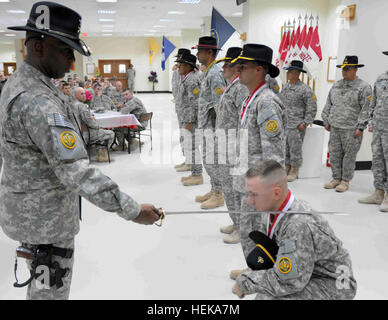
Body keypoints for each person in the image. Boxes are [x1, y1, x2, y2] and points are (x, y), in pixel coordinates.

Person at [0, 1, 161, 300]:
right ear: (38, 47)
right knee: (49, 295)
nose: (71, 62)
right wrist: (132, 209)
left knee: (40, 291)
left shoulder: (18, 85)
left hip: (30, 214)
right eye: (65, 51)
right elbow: (76, 172)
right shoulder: (37, 100)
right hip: (45, 224)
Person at [231, 160, 357, 300]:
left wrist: (246, 282)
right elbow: (272, 250)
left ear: (276, 193)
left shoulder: (299, 225)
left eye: (254, 194)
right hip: (309, 271)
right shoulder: (271, 208)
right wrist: (252, 272)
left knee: (271, 297)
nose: (249, 201)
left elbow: (288, 281)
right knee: (265, 292)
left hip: (336, 284)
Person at [230, 44, 286, 277]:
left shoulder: (266, 102)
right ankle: (255, 268)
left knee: (255, 229)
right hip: (248, 177)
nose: (238, 70)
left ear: (259, 70)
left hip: (259, 184)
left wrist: (265, 189)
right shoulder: (250, 99)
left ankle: (261, 274)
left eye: (243, 66)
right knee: (248, 229)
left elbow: (273, 153)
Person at [322, 56, 372, 192]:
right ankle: (336, 178)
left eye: (347, 69)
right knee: (334, 154)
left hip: (351, 129)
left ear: (355, 69)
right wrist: (326, 120)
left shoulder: (364, 87)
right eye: (343, 69)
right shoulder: (337, 85)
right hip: (335, 127)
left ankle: (345, 181)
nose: (344, 71)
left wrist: (361, 127)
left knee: (349, 156)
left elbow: (366, 109)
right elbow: (329, 103)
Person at [215, 47, 249, 244]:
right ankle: (236, 222)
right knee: (228, 187)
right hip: (224, 144)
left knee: (237, 189)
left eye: (228, 65)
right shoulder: (231, 85)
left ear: (238, 68)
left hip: (234, 147)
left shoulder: (240, 89)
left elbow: (242, 121)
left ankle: (242, 229)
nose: (224, 68)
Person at [193, 36, 227, 209]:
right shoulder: (209, 71)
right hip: (206, 124)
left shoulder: (215, 74)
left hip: (212, 128)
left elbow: (220, 105)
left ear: (210, 52)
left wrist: (217, 131)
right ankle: (214, 189)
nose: (197, 54)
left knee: (213, 160)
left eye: (200, 51)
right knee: (209, 160)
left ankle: (219, 194)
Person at [278, 60, 317, 182]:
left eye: (290, 71)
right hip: (285, 124)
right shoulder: (286, 88)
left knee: (295, 149)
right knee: (285, 148)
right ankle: (286, 167)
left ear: (297, 73)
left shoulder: (305, 89)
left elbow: (312, 107)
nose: (288, 73)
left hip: (296, 125)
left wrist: (305, 122)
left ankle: (294, 170)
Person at [359, 51, 388, 211]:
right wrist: (371, 121)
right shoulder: (381, 78)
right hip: (378, 128)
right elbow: (373, 103)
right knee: (377, 161)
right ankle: (378, 192)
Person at [175, 53, 203, 186]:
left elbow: (194, 102)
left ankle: (197, 174)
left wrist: (190, 121)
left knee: (192, 146)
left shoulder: (191, 79)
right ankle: (194, 172)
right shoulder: (187, 77)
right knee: (190, 145)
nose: (178, 66)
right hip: (186, 118)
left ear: (188, 66)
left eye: (180, 64)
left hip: (190, 120)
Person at [73, 87, 115, 162]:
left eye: (84, 93)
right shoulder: (81, 106)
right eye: (81, 94)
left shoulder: (72, 105)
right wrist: (99, 127)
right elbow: (90, 122)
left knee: (101, 133)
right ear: (75, 96)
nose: (84, 95)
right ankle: (103, 156)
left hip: (76, 133)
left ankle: (98, 153)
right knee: (111, 133)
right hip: (86, 134)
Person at [172, 48, 192, 171]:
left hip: (187, 111)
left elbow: (192, 100)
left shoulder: (193, 76)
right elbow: (175, 87)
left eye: (180, 60)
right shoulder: (177, 72)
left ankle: (190, 162)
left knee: (189, 136)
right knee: (183, 135)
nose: (178, 63)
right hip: (180, 108)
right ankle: (186, 159)